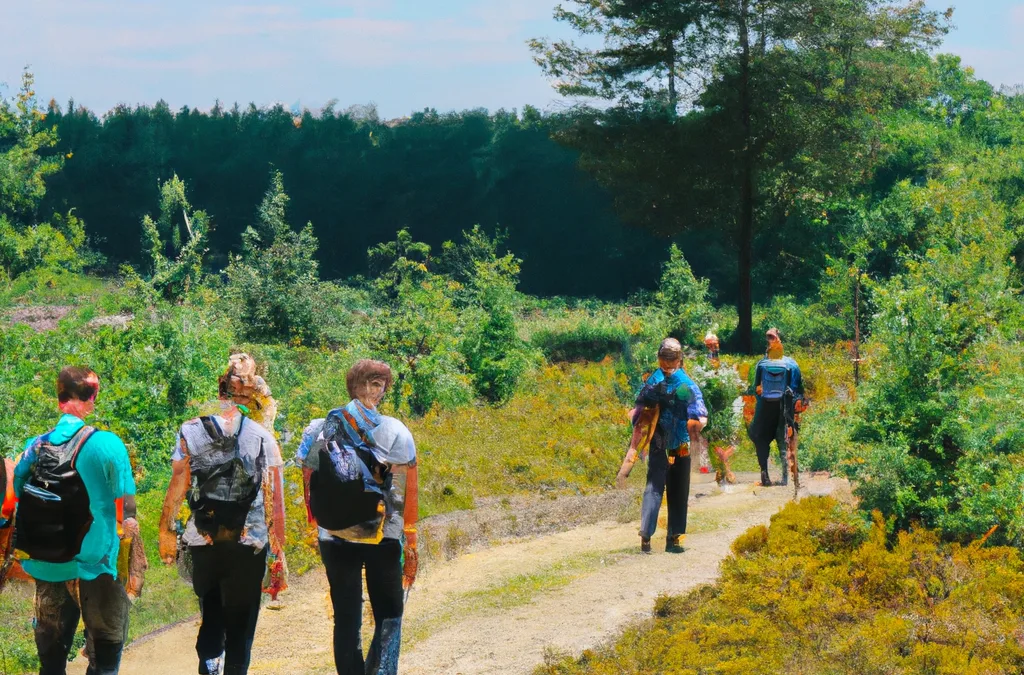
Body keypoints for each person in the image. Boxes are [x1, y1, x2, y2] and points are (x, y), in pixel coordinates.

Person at [158, 360, 287, 675]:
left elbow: (179, 482)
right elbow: (275, 499)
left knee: (212, 610)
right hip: (249, 540)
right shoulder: (262, 436)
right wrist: (278, 552)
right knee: (241, 626)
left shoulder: (190, 429)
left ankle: (209, 661)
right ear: (251, 395)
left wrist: (166, 530)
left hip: (204, 538)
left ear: (220, 391)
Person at [296, 359, 419, 675]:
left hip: (334, 535)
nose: (373, 390)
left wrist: (317, 523)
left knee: (347, 616)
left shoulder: (319, 427)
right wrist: (410, 537)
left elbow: (308, 478)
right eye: (373, 384)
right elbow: (404, 491)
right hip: (383, 535)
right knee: (389, 614)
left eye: (376, 384)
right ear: (373, 389)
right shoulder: (394, 429)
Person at [12, 366, 137, 675]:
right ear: (92, 399)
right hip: (96, 567)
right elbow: (126, 512)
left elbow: (16, 492)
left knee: (51, 663)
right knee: (104, 661)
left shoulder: (34, 446)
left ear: (59, 400)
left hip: (47, 563)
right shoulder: (108, 445)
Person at [634, 338, 707, 554]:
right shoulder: (685, 383)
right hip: (679, 443)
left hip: (659, 443)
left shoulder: (652, 381)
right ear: (680, 359)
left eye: (666, 359)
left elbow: (638, 411)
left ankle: (647, 537)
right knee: (677, 489)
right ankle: (673, 539)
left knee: (654, 487)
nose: (666, 364)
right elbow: (699, 416)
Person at [746, 328, 808, 487]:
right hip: (785, 409)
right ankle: (785, 477)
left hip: (765, 410)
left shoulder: (761, 363)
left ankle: (764, 474)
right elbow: (798, 390)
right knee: (785, 441)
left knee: (760, 439)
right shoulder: (792, 364)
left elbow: (755, 389)